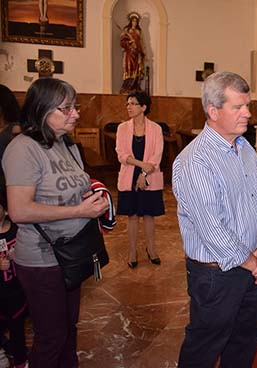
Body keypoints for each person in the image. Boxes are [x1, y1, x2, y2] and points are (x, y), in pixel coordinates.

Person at [172, 71, 257, 367]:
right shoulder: (195, 161)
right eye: (239, 107)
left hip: (252, 265)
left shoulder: (244, 147)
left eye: (247, 105)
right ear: (213, 111)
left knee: (244, 342)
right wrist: (253, 262)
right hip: (216, 275)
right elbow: (212, 228)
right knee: (204, 348)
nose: (248, 113)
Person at [2, 77, 109, 367]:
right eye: (67, 108)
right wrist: (80, 211)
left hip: (72, 254)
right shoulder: (23, 149)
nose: (75, 113)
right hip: (41, 257)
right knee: (51, 337)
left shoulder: (67, 145)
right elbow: (20, 211)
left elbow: (74, 189)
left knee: (67, 333)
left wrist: (94, 199)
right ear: (42, 110)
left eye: (75, 107)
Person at [116, 91, 164, 268]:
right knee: (133, 215)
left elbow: (156, 157)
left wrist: (144, 174)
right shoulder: (122, 128)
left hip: (150, 176)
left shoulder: (156, 129)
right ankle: (132, 251)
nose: (128, 107)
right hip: (129, 175)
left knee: (149, 215)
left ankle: (151, 249)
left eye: (133, 103)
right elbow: (121, 155)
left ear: (143, 107)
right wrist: (140, 165)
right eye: (127, 103)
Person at [0, 184, 28, 368]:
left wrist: (18, 254)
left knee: (18, 328)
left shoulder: (18, 229)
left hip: (17, 289)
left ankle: (20, 360)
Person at [120, 12, 145, 93]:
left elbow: (141, 42)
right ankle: (127, 86)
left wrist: (142, 52)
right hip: (129, 53)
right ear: (130, 21)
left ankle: (135, 86)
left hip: (136, 53)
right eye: (133, 21)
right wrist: (129, 42)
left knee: (136, 69)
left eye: (136, 21)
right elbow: (122, 42)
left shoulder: (138, 31)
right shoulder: (127, 30)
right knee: (128, 68)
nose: (134, 23)